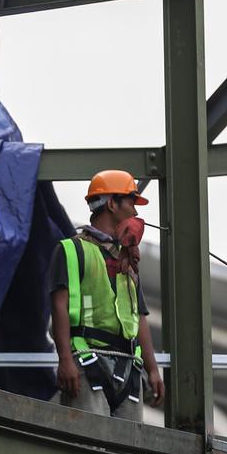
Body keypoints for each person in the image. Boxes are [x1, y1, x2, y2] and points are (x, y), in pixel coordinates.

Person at [50, 169, 164, 420]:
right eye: (131, 202)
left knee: (130, 445)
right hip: (87, 364)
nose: (135, 212)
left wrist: (153, 369)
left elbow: (139, 316)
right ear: (112, 204)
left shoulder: (128, 258)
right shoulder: (72, 250)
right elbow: (59, 307)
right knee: (90, 440)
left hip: (129, 369)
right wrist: (65, 359)